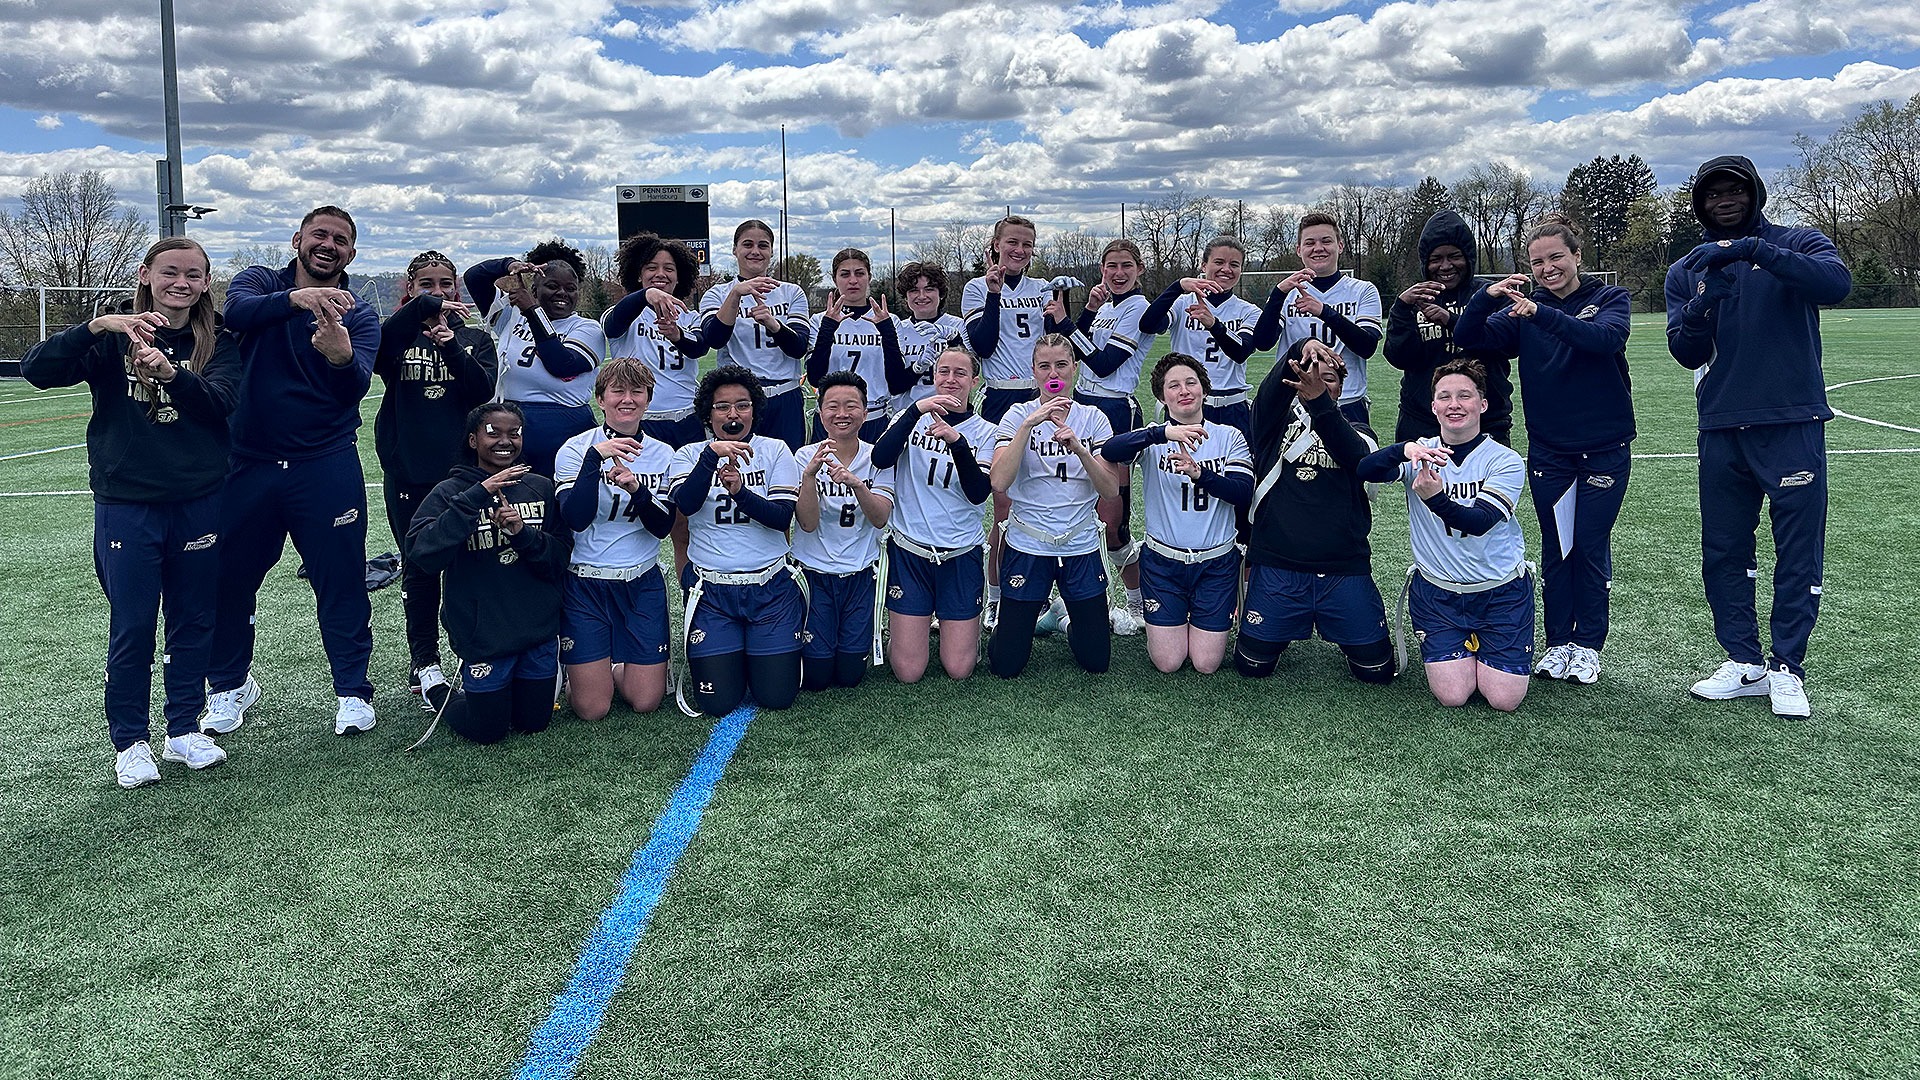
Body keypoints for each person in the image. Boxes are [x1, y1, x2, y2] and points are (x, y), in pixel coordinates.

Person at [22, 237, 241, 787]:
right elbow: (36, 370)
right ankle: (130, 741)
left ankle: (185, 729)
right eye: (170, 272)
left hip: (197, 499)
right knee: (134, 623)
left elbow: (221, 407)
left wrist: (172, 375)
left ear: (205, 283)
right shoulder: (111, 336)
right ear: (146, 274)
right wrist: (97, 327)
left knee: (193, 619)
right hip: (129, 503)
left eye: (194, 275)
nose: (181, 284)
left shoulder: (219, 340)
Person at [1665, 155, 1852, 718]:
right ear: (1700, 203)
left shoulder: (1798, 242)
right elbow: (1685, 351)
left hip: (1792, 422)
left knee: (1798, 549)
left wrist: (1755, 251)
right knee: (1724, 548)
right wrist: (1704, 301)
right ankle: (1744, 660)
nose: (1725, 200)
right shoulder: (1687, 267)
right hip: (1721, 425)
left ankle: (1788, 666)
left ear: (1754, 194)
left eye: (1735, 190)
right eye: (1712, 193)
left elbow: (1836, 284)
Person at [203, 206, 382, 737]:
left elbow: (355, 388)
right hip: (248, 464)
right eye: (320, 235)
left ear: (352, 253)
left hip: (324, 465)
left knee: (341, 581)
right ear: (298, 238)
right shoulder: (259, 281)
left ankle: (352, 690)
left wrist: (338, 356)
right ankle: (228, 685)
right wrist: (297, 300)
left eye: (342, 240)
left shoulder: (361, 313)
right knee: (230, 580)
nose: (329, 245)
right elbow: (237, 313)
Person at [1455, 217, 1633, 686]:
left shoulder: (1609, 298)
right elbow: (1471, 337)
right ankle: (1558, 643)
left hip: (1604, 448)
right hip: (1551, 451)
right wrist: (1485, 298)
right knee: (1558, 548)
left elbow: (1604, 339)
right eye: (1538, 261)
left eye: (1556, 257)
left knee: (1590, 547)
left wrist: (1540, 314)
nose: (1548, 267)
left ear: (1577, 256)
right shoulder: (1522, 310)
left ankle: (1588, 645)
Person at [1358, 360, 1531, 711]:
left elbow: (1480, 520)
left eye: (1465, 396)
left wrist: (1434, 498)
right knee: (1453, 696)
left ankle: (1489, 645)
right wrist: (1402, 449)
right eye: (1445, 396)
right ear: (1433, 406)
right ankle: (1465, 647)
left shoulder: (1505, 460)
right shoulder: (1420, 451)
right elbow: (1365, 470)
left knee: (1504, 699)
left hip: (1499, 592)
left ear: (1482, 404)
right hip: (1439, 594)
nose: (1455, 404)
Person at [374, 251, 497, 708]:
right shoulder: (398, 336)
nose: (439, 291)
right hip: (409, 472)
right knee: (420, 567)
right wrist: (422, 313)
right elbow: (379, 353)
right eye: (427, 284)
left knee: (471, 565)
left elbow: (481, 390)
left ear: (458, 290)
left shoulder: (473, 339)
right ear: (410, 290)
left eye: (446, 283)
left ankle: (477, 654)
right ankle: (424, 664)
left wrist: (448, 343)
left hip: (463, 474)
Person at [407, 402, 572, 743]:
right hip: (485, 636)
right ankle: (436, 690)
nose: (505, 441)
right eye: (492, 432)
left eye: (515, 433)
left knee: (533, 723)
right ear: (472, 440)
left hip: (537, 631)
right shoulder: (450, 493)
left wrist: (523, 534)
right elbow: (421, 552)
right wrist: (477, 496)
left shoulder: (539, 488)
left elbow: (558, 559)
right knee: (488, 731)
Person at [1235, 339, 1395, 685]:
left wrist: (1319, 402)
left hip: (1341, 568)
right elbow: (1270, 391)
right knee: (1252, 666)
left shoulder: (1361, 432)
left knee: (1376, 672)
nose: (1318, 384)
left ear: (1341, 389)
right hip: (1279, 566)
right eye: (1311, 377)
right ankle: (1283, 625)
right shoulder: (1271, 424)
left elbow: (1360, 460)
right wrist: (1300, 348)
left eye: (1329, 380)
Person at [1099, 353, 1252, 674]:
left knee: (1206, 663)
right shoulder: (1153, 438)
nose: (1184, 391)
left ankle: (1200, 616)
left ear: (1204, 390)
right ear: (1161, 395)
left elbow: (1242, 493)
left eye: (1191, 383)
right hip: (1163, 564)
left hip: (1216, 563)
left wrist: (1201, 475)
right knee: (1168, 662)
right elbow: (1110, 451)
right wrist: (1162, 433)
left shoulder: (1228, 436)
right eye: (1174, 386)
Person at [668, 366, 805, 717]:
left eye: (742, 405)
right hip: (714, 590)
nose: (733, 415)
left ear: (755, 410)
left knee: (777, 698)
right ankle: (736, 654)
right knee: (717, 703)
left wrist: (741, 492)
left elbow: (780, 518)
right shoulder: (688, 455)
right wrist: (711, 456)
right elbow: (687, 503)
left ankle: (754, 654)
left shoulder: (775, 450)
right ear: (707, 413)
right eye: (722, 406)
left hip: (769, 587)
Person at [552, 357, 677, 721]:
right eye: (617, 391)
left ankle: (615, 664)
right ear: (600, 399)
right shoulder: (576, 449)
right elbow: (574, 518)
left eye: (637, 391)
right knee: (593, 709)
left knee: (645, 701)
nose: (627, 399)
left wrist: (638, 490)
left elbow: (661, 527)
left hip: (641, 581)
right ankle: (587, 672)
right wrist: (594, 461)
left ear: (648, 399)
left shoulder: (662, 453)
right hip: (586, 582)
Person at [988, 333, 1118, 677]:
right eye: (1044, 366)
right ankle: (1021, 620)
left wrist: (1078, 447)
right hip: (1029, 544)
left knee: (1096, 661)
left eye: (1061, 364)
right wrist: (1030, 425)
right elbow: (999, 481)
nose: (1052, 373)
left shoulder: (1094, 418)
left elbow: (1109, 490)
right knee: (1006, 665)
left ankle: (1062, 619)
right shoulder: (1018, 415)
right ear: (1033, 370)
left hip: (1080, 544)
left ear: (1073, 369)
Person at [871, 344, 997, 683]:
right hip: (911, 551)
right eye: (944, 372)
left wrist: (956, 442)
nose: (951, 380)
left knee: (959, 669)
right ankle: (914, 622)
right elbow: (880, 458)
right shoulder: (909, 416)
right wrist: (915, 412)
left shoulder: (985, 431)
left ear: (974, 380)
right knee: (908, 672)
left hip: (959, 554)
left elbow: (977, 493)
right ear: (934, 375)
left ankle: (957, 627)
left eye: (960, 374)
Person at [1062, 238, 1158, 634]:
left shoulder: (1138, 307)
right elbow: (1073, 346)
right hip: (1082, 401)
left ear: (1139, 270)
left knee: (1113, 521)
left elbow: (1102, 364)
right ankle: (1079, 599)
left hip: (1115, 407)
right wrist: (1085, 311)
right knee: (1074, 504)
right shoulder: (1105, 306)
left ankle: (1136, 603)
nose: (1117, 274)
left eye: (1126, 266)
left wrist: (1067, 322)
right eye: (1110, 266)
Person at [600, 232, 709, 575]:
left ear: (681, 276)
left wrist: (676, 331)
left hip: (685, 424)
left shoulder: (688, 316)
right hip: (640, 428)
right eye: (651, 268)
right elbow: (615, 322)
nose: (661, 274)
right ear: (637, 273)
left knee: (686, 524)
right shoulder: (624, 313)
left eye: (669, 268)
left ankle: (691, 593)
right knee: (626, 515)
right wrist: (645, 296)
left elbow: (700, 347)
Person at [964, 215, 1046, 629]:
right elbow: (982, 343)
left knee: (1049, 497)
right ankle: (996, 595)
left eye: (1027, 244)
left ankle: (1050, 596)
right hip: (998, 396)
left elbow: (1057, 346)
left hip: (1039, 397)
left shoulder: (1042, 289)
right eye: (1012, 242)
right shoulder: (975, 288)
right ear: (995, 244)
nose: (1019, 250)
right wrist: (994, 295)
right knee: (1003, 508)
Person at [464, 239, 606, 477]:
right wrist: (509, 265)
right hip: (510, 427)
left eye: (570, 288)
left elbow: (561, 364)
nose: (562, 293)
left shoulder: (587, 328)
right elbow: (474, 277)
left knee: (562, 502)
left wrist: (533, 311)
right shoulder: (511, 315)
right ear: (533, 290)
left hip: (565, 427)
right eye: (552, 286)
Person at [794, 372, 896, 690]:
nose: (842, 414)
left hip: (859, 575)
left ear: (865, 413)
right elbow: (807, 523)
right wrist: (810, 477)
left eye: (851, 406)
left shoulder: (877, 458)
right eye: (833, 406)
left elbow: (880, 518)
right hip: (816, 574)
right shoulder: (801, 457)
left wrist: (855, 484)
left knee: (851, 675)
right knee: (817, 677)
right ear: (820, 412)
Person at [1384, 211, 1514, 444]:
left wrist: (1452, 321)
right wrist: (1401, 309)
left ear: (1469, 257)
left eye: (1454, 256)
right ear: (1425, 262)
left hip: (1486, 420)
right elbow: (1399, 358)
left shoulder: (1490, 295)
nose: (1445, 266)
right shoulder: (1415, 298)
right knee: (1424, 483)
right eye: (1436, 259)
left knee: (1486, 482)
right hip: (1422, 421)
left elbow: (1508, 346)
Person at [1252, 213, 1383, 427]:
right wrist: (1277, 294)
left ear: (1340, 246)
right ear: (1299, 249)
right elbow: (1263, 342)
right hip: (1294, 402)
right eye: (1310, 243)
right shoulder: (1288, 292)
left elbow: (1366, 346)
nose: (1318, 248)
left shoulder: (1363, 290)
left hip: (1347, 400)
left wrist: (1324, 311)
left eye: (1326, 241)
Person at [699, 220, 812, 450]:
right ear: (735, 249)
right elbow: (715, 339)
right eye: (747, 244)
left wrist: (773, 324)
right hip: (740, 401)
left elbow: (798, 347)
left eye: (763, 245)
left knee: (788, 469)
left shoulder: (791, 292)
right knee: (738, 467)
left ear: (771, 251)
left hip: (784, 397)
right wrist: (735, 295)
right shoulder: (717, 294)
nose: (755, 251)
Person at [1138, 236, 1262, 442]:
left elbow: (1241, 352)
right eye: (1219, 262)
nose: (1226, 269)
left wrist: (1214, 325)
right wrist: (1177, 286)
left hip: (1232, 407)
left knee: (1236, 471)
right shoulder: (1182, 303)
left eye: (1234, 264)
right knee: (1184, 471)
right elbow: (1148, 325)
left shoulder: (1249, 311)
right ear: (1204, 265)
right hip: (1187, 406)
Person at [806, 247, 908, 443]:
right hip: (833, 419)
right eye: (845, 274)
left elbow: (896, 380)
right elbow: (815, 377)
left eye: (860, 273)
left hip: (874, 417)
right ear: (834, 278)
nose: (853, 280)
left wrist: (886, 329)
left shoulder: (889, 320)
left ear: (869, 276)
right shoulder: (820, 321)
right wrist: (829, 328)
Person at [892, 261, 965, 418]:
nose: (922, 296)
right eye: (914, 291)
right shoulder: (898, 328)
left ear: (941, 293)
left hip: (948, 413)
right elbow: (894, 384)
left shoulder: (957, 325)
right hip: (908, 413)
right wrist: (918, 368)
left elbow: (969, 370)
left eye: (929, 289)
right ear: (905, 296)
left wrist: (954, 340)